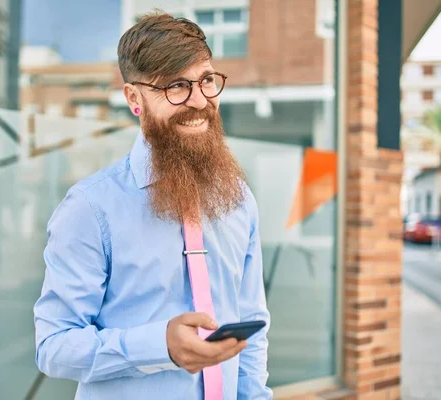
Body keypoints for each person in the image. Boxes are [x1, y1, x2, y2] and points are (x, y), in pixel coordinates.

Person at [33, 11, 272, 400]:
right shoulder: (90, 208)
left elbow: (251, 325)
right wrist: (158, 346)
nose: (199, 101)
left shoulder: (240, 200)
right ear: (134, 98)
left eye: (207, 81)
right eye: (176, 86)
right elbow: (53, 346)